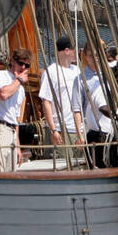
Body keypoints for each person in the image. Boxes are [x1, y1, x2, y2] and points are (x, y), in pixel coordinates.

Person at [39, 35, 84, 165]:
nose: (77, 53)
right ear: (66, 50)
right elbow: (46, 102)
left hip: (77, 130)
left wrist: (81, 130)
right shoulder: (51, 72)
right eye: (75, 50)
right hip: (61, 130)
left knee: (79, 165)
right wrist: (53, 130)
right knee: (62, 165)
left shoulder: (76, 71)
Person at [0, 47, 29, 171]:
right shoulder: (1, 76)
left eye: (27, 65)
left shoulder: (20, 89)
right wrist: (19, 80)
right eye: (21, 63)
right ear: (12, 61)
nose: (23, 68)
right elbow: (3, 94)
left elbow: (15, 119)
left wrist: (18, 147)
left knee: (11, 174)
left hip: (11, 133)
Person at [80, 44, 115, 169]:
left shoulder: (110, 74)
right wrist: (80, 135)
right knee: (98, 168)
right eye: (90, 56)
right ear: (86, 57)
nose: (94, 59)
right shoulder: (81, 79)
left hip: (113, 133)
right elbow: (77, 108)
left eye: (96, 55)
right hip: (96, 134)